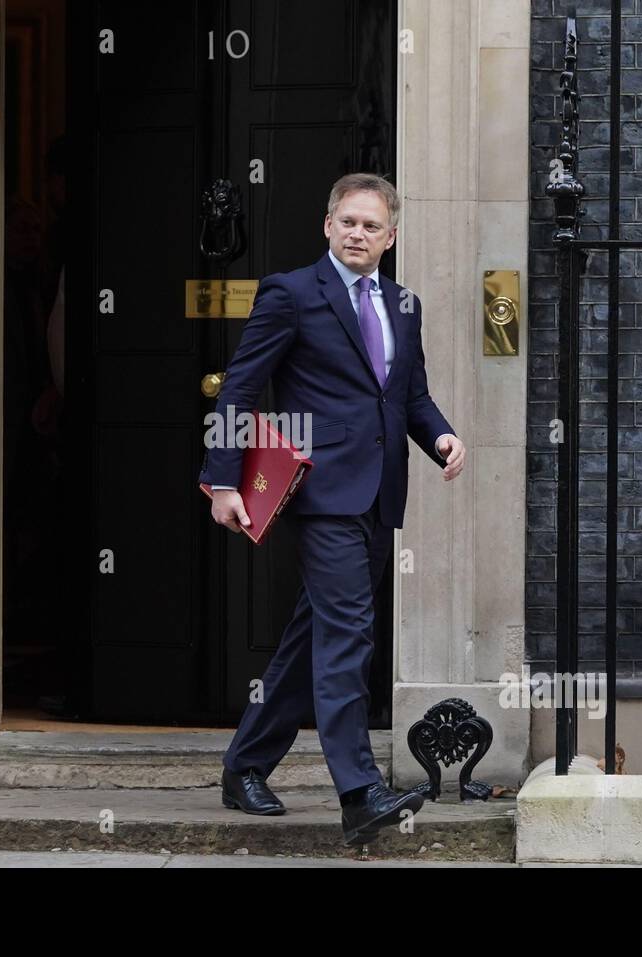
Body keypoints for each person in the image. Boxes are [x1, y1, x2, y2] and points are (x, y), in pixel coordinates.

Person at [198, 173, 466, 846]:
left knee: (313, 632)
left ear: (391, 237)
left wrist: (440, 436)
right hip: (322, 495)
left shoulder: (403, 304)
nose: (357, 233)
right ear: (327, 225)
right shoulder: (291, 292)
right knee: (350, 634)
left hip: (380, 494)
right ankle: (359, 790)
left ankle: (245, 764)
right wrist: (221, 480)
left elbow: (408, 394)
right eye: (348, 221)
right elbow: (240, 388)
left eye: (372, 226)